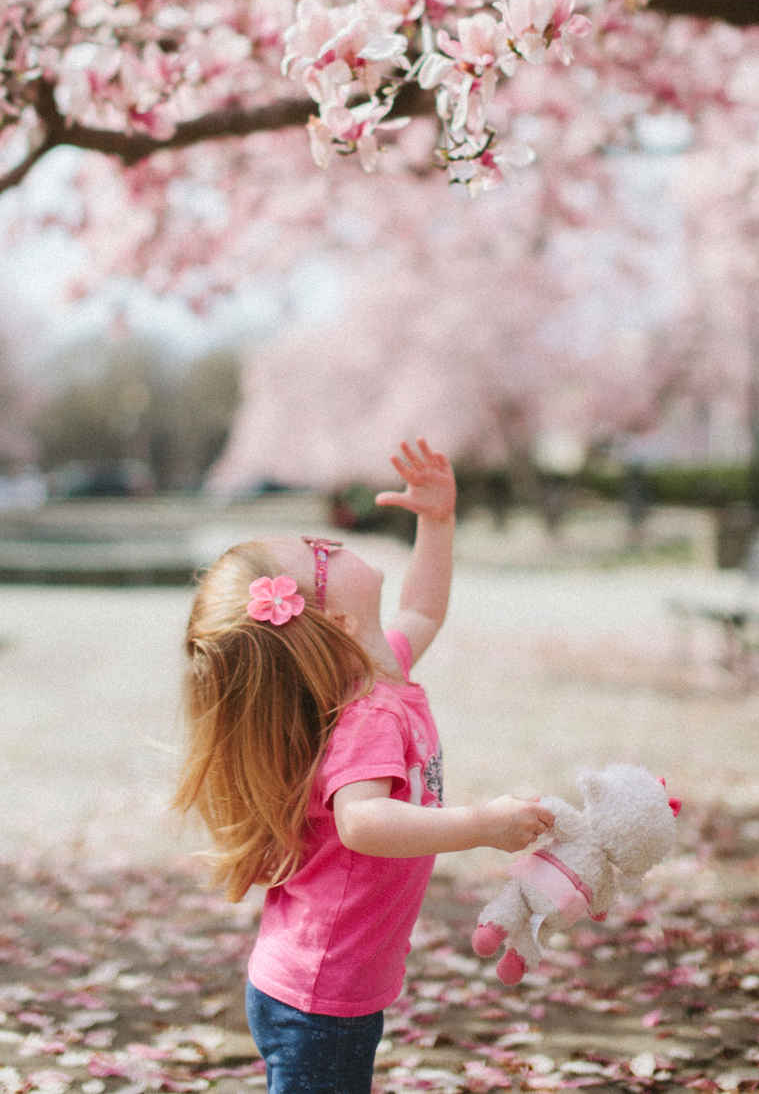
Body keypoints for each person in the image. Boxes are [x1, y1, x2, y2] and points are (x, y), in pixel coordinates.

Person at [174, 437, 554, 1094]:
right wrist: (481, 824)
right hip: (321, 996)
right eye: (321, 556)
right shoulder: (367, 714)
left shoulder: (381, 669)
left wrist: (435, 523)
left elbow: (426, 608)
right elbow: (364, 821)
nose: (331, 541)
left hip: (320, 982)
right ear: (341, 621)